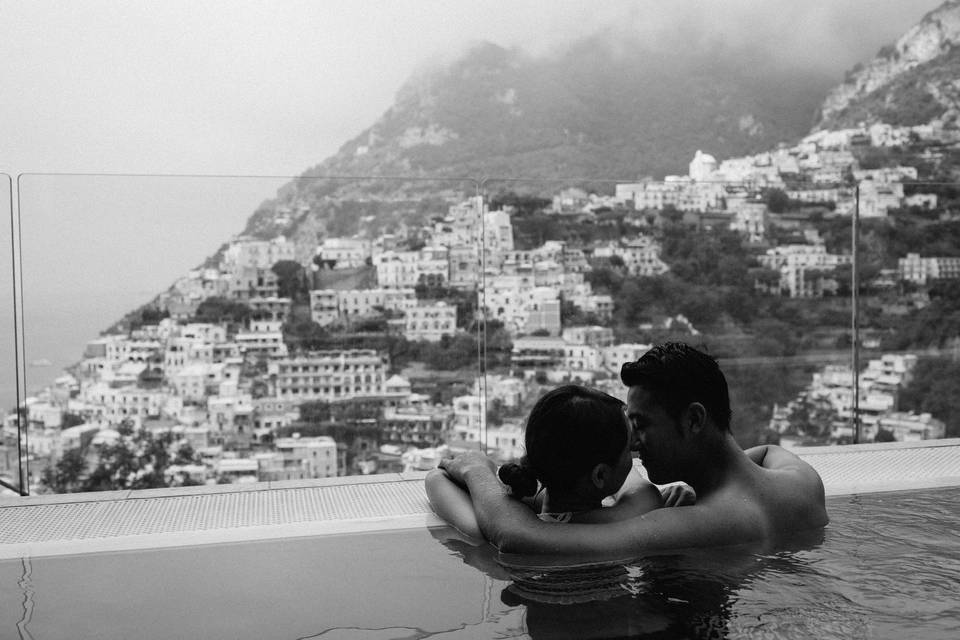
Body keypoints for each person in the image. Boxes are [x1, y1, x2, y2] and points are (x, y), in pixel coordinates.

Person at [438, 342, 829, 555]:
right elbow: (763, 454)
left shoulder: (693, 524)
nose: (634, 443)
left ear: (693, 420)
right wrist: (705, 481)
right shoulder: (801, 480)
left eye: (640, 426)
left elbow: (518, 537)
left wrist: (476, 471)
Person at [426, 384, 690, 539]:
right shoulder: (624, 517)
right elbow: (637, 488)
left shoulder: (504, 525)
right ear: (600, 476)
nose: (634, 448)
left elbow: (435, 480)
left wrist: (479, 470)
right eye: (627, 448)